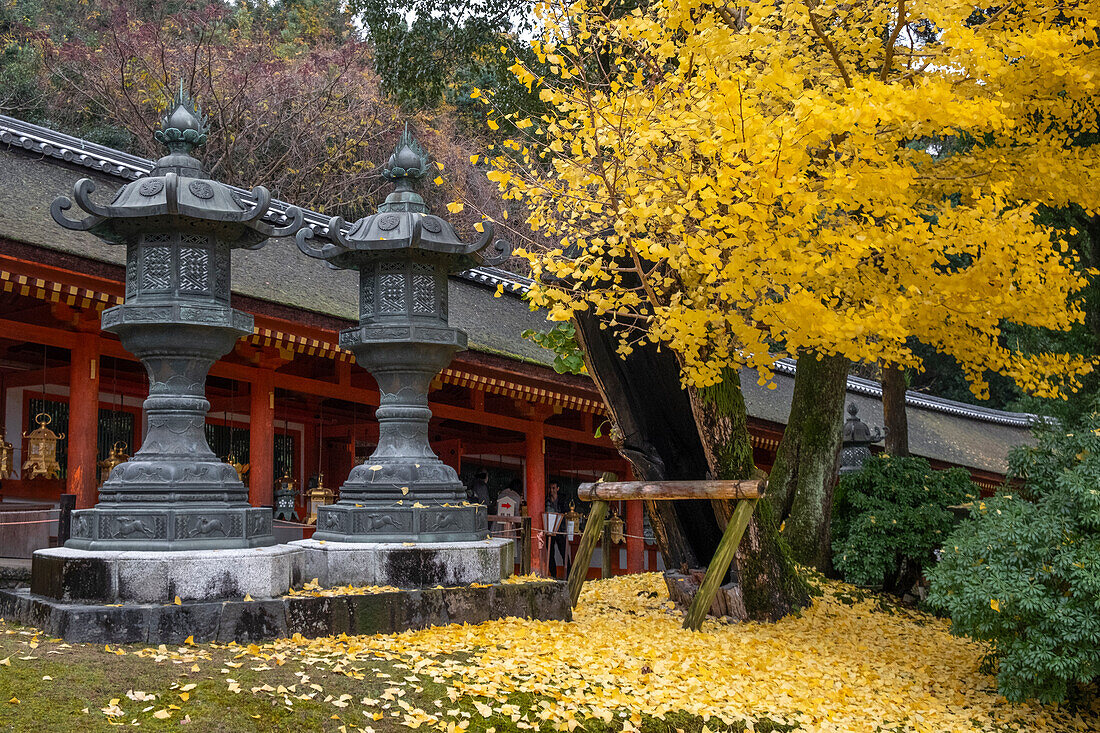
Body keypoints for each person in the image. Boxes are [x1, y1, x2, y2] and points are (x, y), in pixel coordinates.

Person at [546, 481, 569, 578]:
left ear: (557, 489)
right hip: (550, 529)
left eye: (554, 488)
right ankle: (553, 574)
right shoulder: (546, 500)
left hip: (560, 529)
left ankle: (568, 574)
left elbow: (566, 512)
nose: (552, 490)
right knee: (550, 554)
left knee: (564, 552)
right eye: (550, 488)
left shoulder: (562, 500)